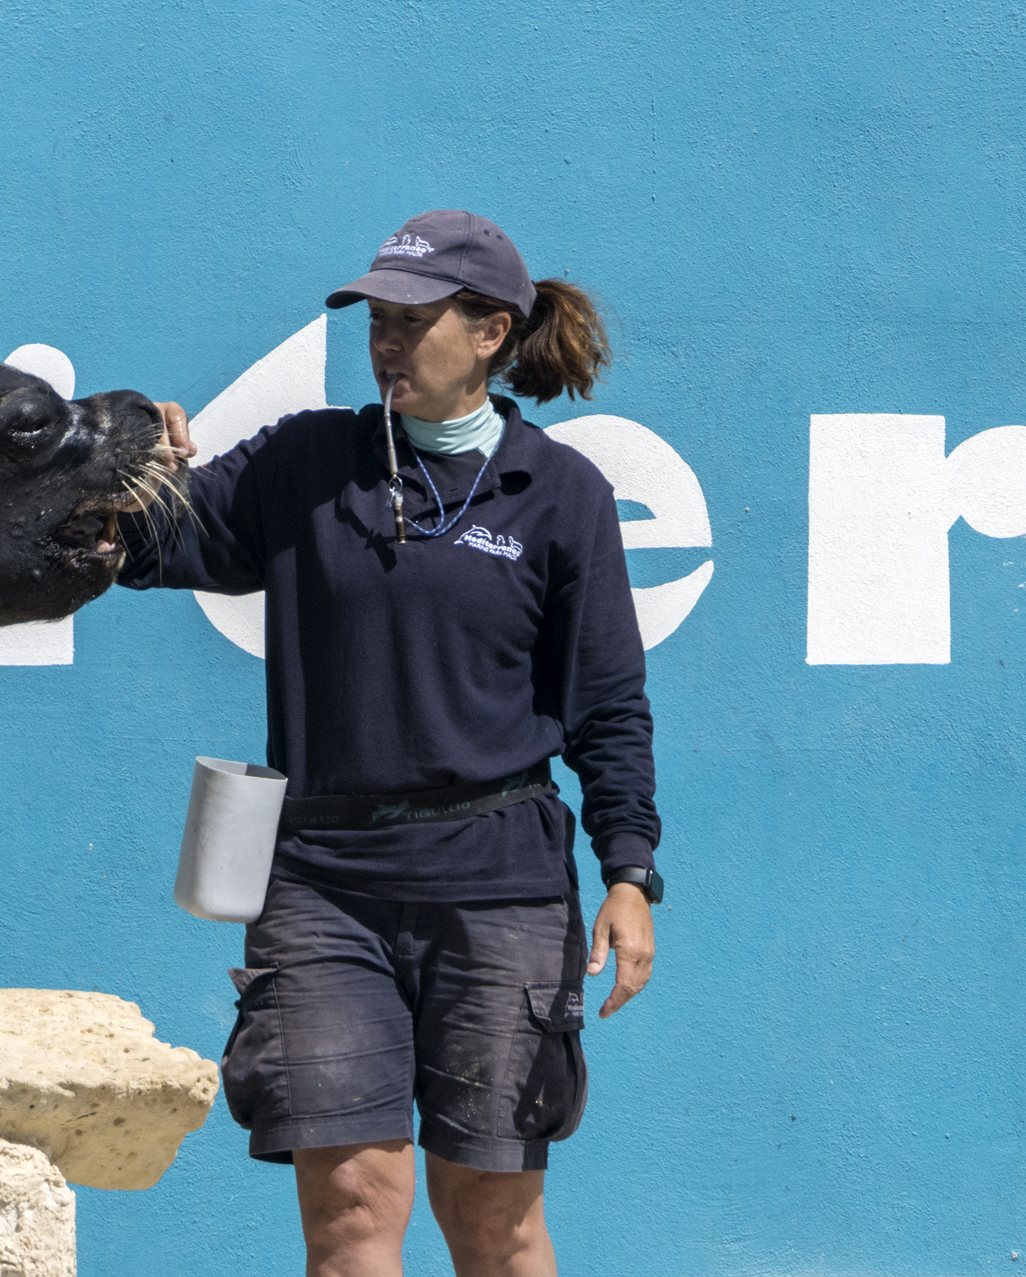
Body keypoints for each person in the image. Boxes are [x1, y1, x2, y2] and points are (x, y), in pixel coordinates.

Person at [122, 210, 660, 1277]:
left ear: (492, 332)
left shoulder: (561, 495)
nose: (385, 341)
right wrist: (132, 470)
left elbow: (607, 703)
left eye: (412, 321)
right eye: (375, 318)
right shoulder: (304, 460)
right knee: (354, 1210)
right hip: (322, 888)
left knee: (491, 1216)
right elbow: (153, 541)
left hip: (500, 890)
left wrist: (630, 870)